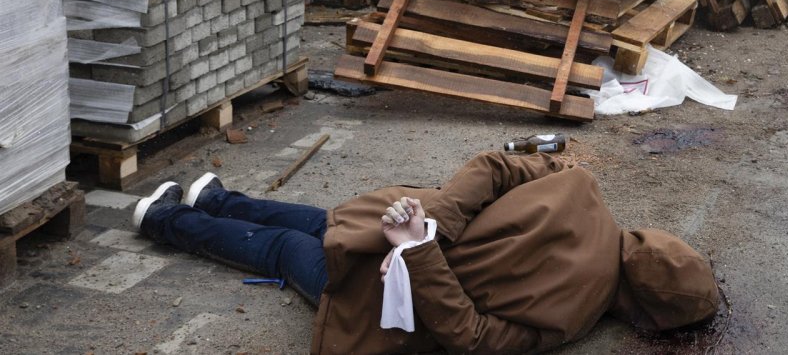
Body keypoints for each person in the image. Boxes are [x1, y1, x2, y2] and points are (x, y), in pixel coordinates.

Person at [131, 151, 719, 354]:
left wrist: (428, 232)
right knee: (299, 242)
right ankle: (168, 217)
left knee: (318, 225)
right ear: (644, 309)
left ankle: (204, 201)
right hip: (400, 283)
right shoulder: (573, 319)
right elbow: (473, 339)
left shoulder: (582, 186)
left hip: (399, 249)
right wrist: (426, 240)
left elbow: (496, 165)